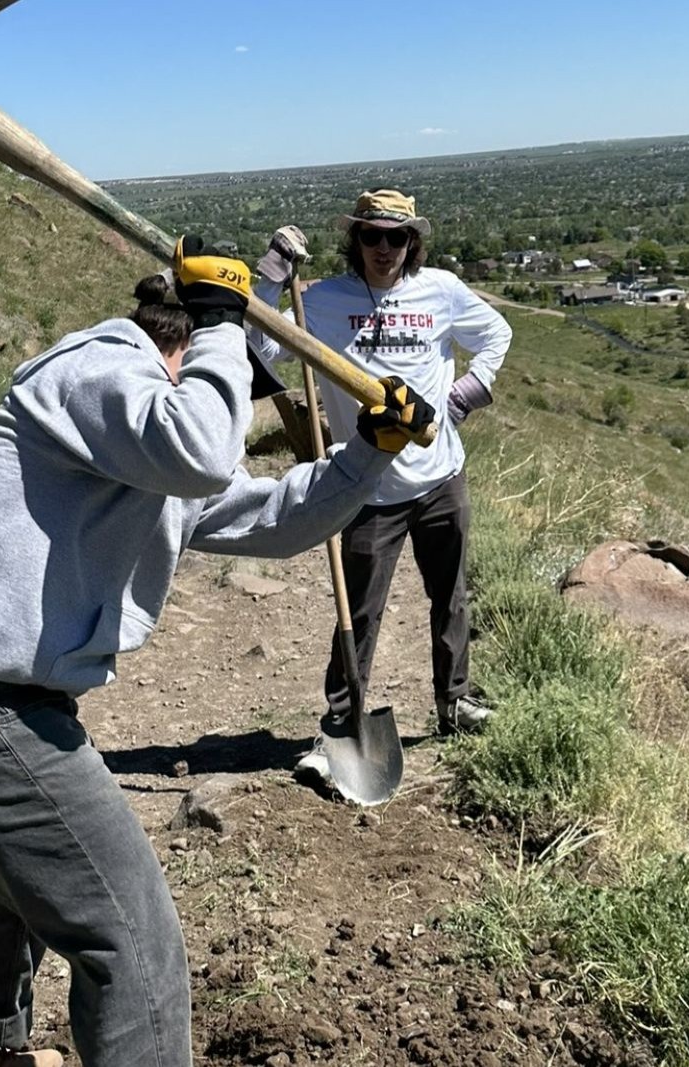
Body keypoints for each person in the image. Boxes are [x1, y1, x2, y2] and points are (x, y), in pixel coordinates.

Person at [0, 237, 433, 1067]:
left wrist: (366, 455)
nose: (229, 406)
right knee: (134, 935)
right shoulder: (100, 370)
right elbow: (201, 448)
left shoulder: (154, 441)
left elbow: (273, 518)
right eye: (219, 378)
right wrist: (224, 326)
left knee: (35, 877)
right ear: (188, 350)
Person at [248, 189, 513, 778]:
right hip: (366, 487)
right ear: (356, 240)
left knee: (450, 596)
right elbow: (264, 348)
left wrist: (468, 394)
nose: (384, 248)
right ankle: (343, 723)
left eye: (396, 237)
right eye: (372, 236)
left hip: (442, 476)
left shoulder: (441, 290)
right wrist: (270, 280)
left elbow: (497, 335)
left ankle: (456, 701)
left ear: (412, 243)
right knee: (360, 612)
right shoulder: (323, 301)